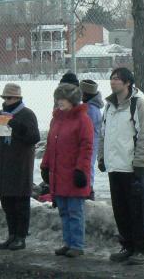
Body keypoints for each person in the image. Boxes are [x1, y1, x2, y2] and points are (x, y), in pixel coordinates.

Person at [98, 67, 144, 265]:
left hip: (131, 167)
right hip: (115, 166)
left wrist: (139, 162)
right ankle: (128, 245)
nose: (113, 82)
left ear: (128, 83)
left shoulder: (138, 105)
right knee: (120, 210)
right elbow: (103, 134)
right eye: (111, 78)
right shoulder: (109, 106)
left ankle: (142, 249)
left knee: (137, 210)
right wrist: (102, 157)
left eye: (117, 79)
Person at [40, 83, 93, 257]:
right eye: (58, 99)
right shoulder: (56, 119)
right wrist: (45, 165)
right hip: (58, 173)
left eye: (63, 99)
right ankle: (68, 242)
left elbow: (86, 147)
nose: (59, 102)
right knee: (63, 210)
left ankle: (77, 244)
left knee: (74, 211)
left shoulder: (83, 120)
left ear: (72, 100)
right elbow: (50, 145)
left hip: (73, 173)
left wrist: (81, 170)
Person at [0, 83, 40, 251]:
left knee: (20, 203)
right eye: (5, 98)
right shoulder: (2, 115)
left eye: (10, 98)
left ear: (18, 98)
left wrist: (19, 127)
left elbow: (33, 137)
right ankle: (11, 235)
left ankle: (21, 237)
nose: (7, 101)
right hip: (3, 164)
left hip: (20, 164)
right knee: (7, 203)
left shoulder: (27, 114)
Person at [81, 79, 103, 200]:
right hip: (92, 144)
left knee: (87, 166)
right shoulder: (92, 108)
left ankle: (88, 192)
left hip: (89, 145)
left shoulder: (90, 110)